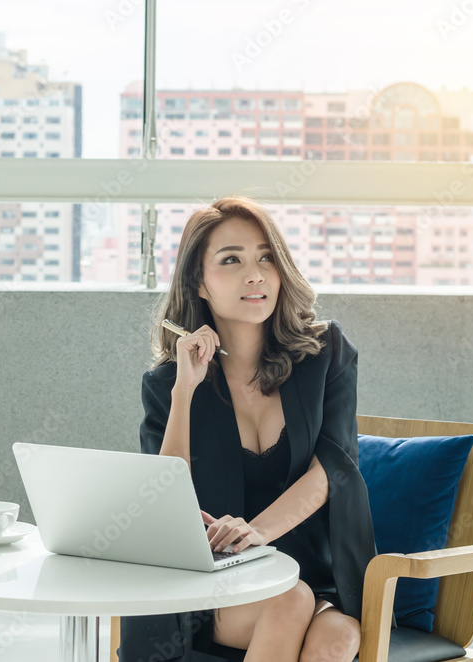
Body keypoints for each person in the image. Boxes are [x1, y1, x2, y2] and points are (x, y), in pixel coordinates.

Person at [119, 196, 392, 662]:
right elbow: (163, 496)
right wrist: (185, 390)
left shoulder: (326, 354)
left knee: (338, 638)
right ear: (199, 284)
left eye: (266, 257)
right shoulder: (168, 383)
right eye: (231, 260)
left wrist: (257, 531)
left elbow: (335, 467)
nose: (255, 274)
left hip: (308, 569)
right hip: (211, 582)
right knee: (290, 602)